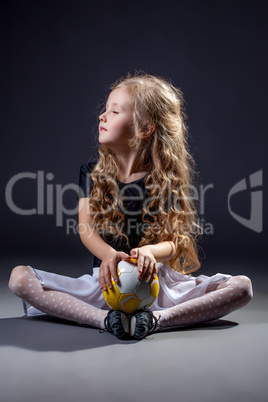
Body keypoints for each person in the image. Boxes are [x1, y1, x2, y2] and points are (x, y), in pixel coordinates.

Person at [8, 73, 253, 340]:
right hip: (107, 283)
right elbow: (86, 229)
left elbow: (174, 241)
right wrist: (108, 255)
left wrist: (151, 251)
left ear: (145, 128)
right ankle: (104, 318)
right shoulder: (91, 173)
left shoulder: (164, 179)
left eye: (114, 111)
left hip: (155, 285)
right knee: (19, 278)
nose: (102, 116)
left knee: (242, 287)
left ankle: (156, 320)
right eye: (105, 109)